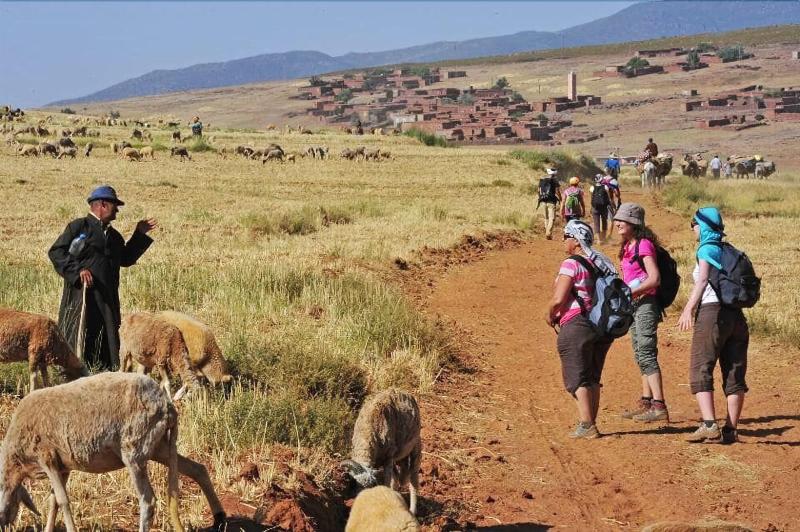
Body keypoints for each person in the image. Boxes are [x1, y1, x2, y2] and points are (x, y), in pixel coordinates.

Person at [49, 185, 157, 370]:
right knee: (80, 333)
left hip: (107, 297)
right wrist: (78, 271)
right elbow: (56, 252)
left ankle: (104, 370)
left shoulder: (114, 236)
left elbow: (126, 258)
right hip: (81, 296)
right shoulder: (78, 226)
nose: (117, 211)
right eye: (115, 206)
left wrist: (139, 235)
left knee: (107, 335)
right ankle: (73, 371)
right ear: (103, 205)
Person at [678, 207, 749, 444]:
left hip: (712, 312)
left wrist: (688, 308)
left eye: (694, 223)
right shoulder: (729, 250)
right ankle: (731, 429)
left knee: (701, 366)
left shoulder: (706, 248)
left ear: (704, 225)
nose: (692, 228)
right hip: (736, 315)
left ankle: (709, 425)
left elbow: (703, 280)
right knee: (734, 371)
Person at [546, 220, 618, 439]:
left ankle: (587, 425)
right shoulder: (601, 261)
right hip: (602, 325)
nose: (564, 240)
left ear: (576, 241)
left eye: (566, 236)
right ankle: (591, 423)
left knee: (576, 377)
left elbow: (559, 298)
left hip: (576, 323)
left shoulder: (571, 264)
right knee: (592, 375)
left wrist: (549, 314)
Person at [613, 203, 668, 422]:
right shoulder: (628, 246)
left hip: (645, 304)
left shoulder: (643, 245)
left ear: (633, 223)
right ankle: (647, 402)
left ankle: (659, 405)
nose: (617, 223)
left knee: (646, 353)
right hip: (635, 304)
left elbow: (654, 279)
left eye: (622, 220)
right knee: (639, 353)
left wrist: (629, 292)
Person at [537, 167, 562, 240]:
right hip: (551, 201)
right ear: (554, 174)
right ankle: (548, 233)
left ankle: (547, 233)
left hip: (543, 200)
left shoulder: (542, 179)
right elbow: (557, 191)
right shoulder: (554, 180)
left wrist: (540, 197)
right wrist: (560, 198)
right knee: (552, 218)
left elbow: (538, 190)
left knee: (546, 218)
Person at [589, 174, 613, 242]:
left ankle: (599, 240)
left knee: (596, 223)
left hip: (595, 207)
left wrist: (591, 207)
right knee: (604, 221)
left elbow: (592, 198)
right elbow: (608, 198)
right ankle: (604, 238)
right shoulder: (605, 187)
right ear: (602, 179)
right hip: (604, 207)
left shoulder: (592, 187)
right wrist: (611, 204)